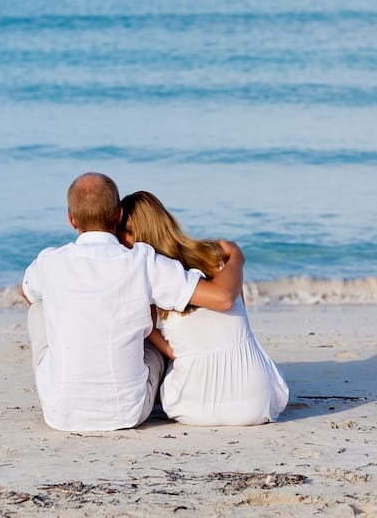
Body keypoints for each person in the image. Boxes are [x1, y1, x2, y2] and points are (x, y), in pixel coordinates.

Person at [20, 173, 245, 432]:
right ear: (118, 215)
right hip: (128, 412)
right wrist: (236, 257)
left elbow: (25, 293)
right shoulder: (143, 261)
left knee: (39, 306)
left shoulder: (49, 262)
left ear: (71, 220)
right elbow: (223, 298)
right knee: (147, 321)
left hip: (61, 414)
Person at [118, 191, 289, 426]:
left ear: (131, 235)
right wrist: (237, 257)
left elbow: (170, 349)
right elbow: (239, 313)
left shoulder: (148, 275)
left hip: (193, 408)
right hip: (256, 402)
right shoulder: (218, 256)